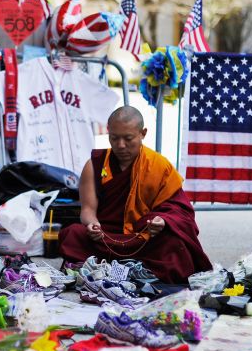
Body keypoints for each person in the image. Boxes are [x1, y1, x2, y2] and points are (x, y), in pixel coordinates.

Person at [58, 106, 212, 284]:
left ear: (143, 133)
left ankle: (111, 269)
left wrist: (162, 221)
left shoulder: (158, 166)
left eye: (128, 138)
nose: (121, 145)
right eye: (114, 138)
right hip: (105, 237)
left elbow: (180, 212)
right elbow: (87, 210)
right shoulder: (95, 164)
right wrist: (93, 225)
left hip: (143, 239)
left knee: (174, 244)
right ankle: (136, 271)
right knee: (72, 234)